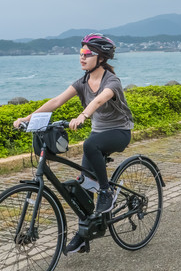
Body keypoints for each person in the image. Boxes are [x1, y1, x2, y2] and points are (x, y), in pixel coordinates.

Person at [14, 33, 134, 254]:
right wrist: (27, 118)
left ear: (100, 57)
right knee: (83, 184)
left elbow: (99, 99)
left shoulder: (111, 81)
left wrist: (84, 115)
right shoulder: (82, 82)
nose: (82, 57)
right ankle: (83, 235)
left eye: (87, 54)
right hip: (99, 134)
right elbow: (56, 101)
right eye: (80, 53)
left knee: (90, 146)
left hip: (119, 132)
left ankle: (106, 192)